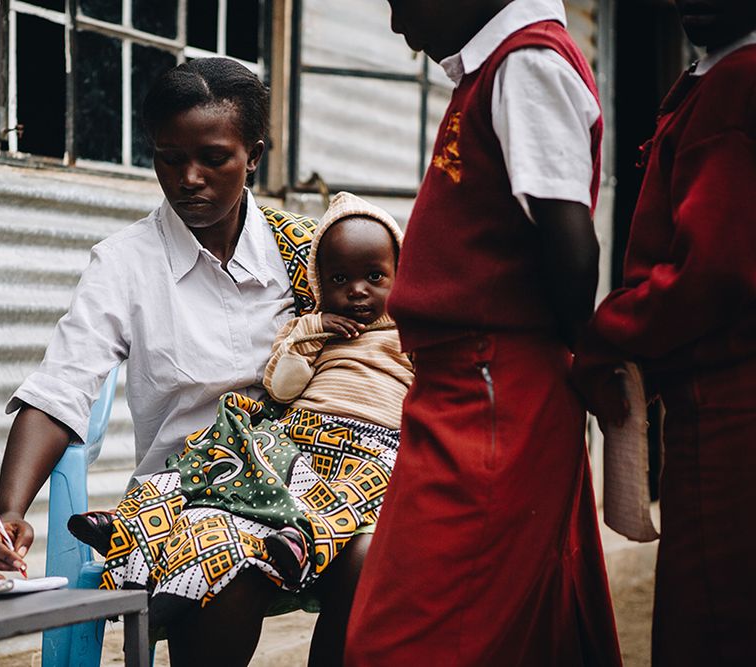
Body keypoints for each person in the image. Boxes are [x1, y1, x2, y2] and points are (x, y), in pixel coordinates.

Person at [0, 57, 364, 666]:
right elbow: (60, 390)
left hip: (303, 495)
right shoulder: (125, 265)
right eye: (168, 156)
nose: (188, 177)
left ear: (254, 155)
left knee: (377, 559)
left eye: (213, 158)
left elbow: (372, 355)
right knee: (231, 566)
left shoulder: (308, 255)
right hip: (182, 504)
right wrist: (8, 514)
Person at [346, 0, 622, 665]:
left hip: (491, 385)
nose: (396, 24)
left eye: (399, 1)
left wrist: (583, 358)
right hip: (474, 383)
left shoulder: (526, 63)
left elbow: (572, 246)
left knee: (410, 638)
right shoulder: (496, 69)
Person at [69, 190, 411, 601]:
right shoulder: (310, 327)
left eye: (374, 277)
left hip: (375, 447)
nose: (357, 291)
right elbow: (282, 388)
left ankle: (301, 543)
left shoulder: (411, 335)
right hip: (304, 434)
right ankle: (132, 520)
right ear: (320, 284)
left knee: (354, 495)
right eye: (340, 279)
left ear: (400, 276)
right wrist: (312, 333)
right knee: (222, 454)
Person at [574, 1, 756, 663]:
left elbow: (710, 270)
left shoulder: (737, 83)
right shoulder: (715, 76)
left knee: (715, 608)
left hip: (727, 400)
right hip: (715, 390)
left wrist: (610, 334)